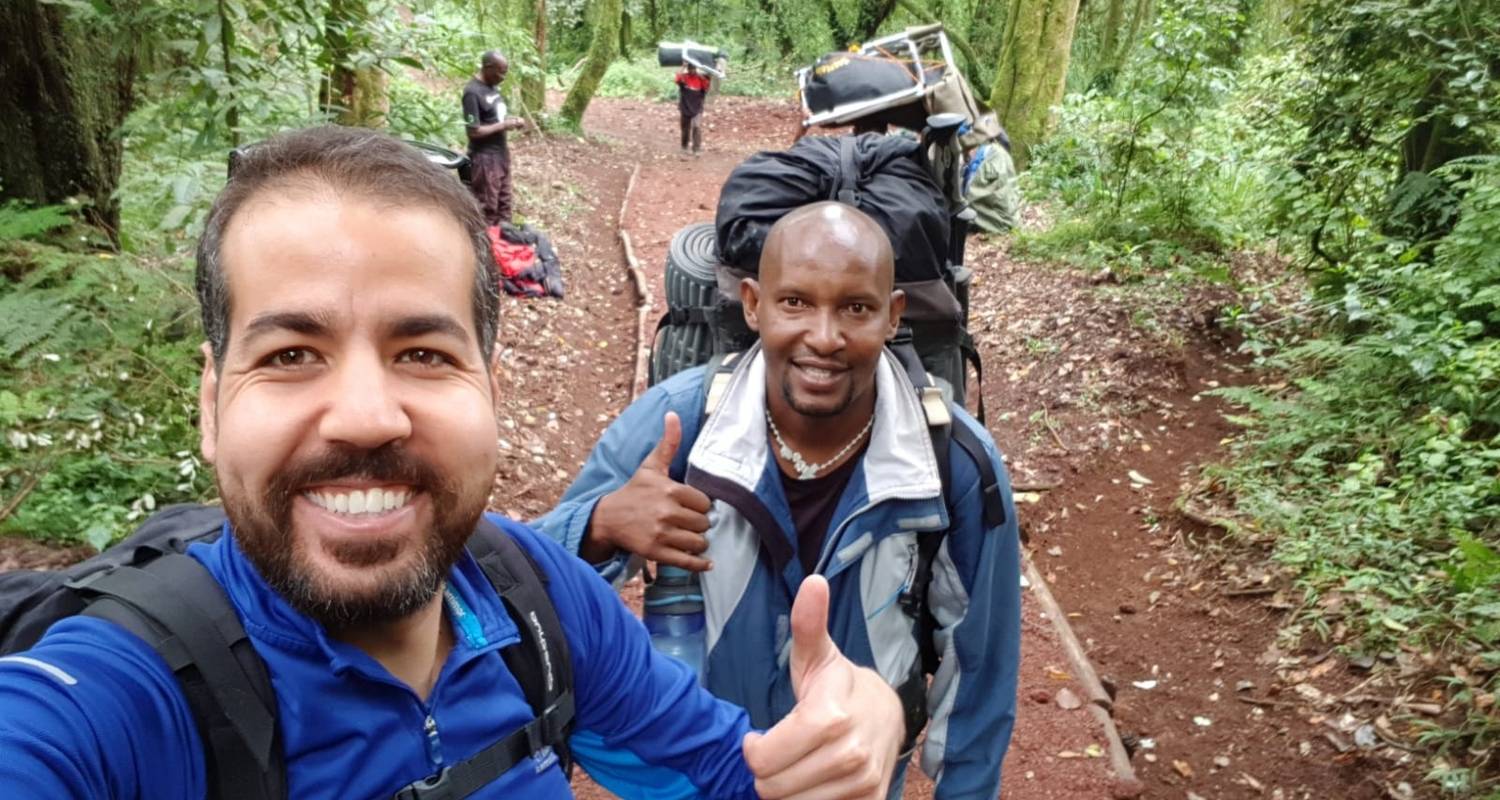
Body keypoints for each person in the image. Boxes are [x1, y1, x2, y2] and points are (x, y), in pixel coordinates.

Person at [0, 127, 908, 798]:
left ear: (489, 390)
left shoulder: (533, 595)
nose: (363, 417)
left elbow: (729, 776)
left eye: (424, 354)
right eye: (289, 355)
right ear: (210, 403)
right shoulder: (128, 701)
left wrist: (854, 734)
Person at [537, 202, 1022, 799]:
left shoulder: (953, 463)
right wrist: (601, 525)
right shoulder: (681, 424)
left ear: (892, 316)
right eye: (795, 302)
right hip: (707, 770)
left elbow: (980, 674)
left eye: (856, 308)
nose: (823, 337)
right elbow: (517, 583)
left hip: (849, 786)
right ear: (752, 304)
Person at [462, 51, 526, 226]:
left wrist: (512, 121)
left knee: (504, 205)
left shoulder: (493, 88)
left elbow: (494, 118)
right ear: (487, 68)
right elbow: (473, 131)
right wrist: (504, 126)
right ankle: (486, 248)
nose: (503, 77)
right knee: (487, 208)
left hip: (501, 155)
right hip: (484, 159)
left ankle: (504, 245)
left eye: (505, 72)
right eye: (500, 72)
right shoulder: (472, 93)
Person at [675, 62, 711, 155]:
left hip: (697, 107)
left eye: (694, 69)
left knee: (697, 126)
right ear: (688, 69)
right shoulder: (684, 77)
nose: (692, 71)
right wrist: (683, 66)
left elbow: (707, 86)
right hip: (685, 106)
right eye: (690, 69)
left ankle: (697, 149)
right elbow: (677, 79)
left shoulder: (701, 78)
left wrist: (702, 75)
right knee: (685, 129)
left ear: (696, 69)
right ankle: (684, 147)